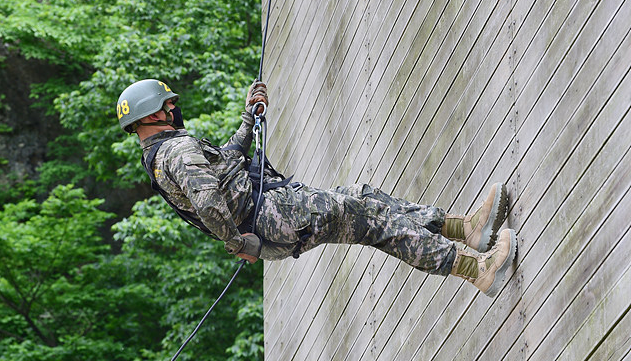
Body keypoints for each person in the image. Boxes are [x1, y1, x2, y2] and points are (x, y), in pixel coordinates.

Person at [116, 79, 518, 298]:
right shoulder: (176, 151)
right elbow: (209, 203)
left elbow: (228, 163)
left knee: (364, 199)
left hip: (269, 214)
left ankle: (465, 229)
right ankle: (475, 269)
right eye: (166, 105)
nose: (173, 108)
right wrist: (238, 243)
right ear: (151, 114)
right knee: (368, 218)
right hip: (271, 214)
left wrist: (249, 118)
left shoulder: (162, 155)